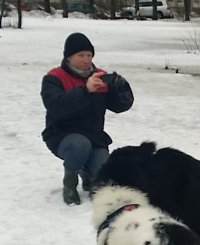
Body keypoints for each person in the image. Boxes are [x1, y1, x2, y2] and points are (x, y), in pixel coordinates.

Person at [41, 32, 134, 205]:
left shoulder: (100, 76)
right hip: (61, 136)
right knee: (79, 145)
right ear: (68, 57)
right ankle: (70, 183)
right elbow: (56, 107)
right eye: (80, 55)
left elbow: (119, 107)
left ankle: (88, 173)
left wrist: (123, 91)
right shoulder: (54, 78)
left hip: (94, 137)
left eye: (89, 55)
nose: (86, 59)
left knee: (105, 173)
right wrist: (85, 90)